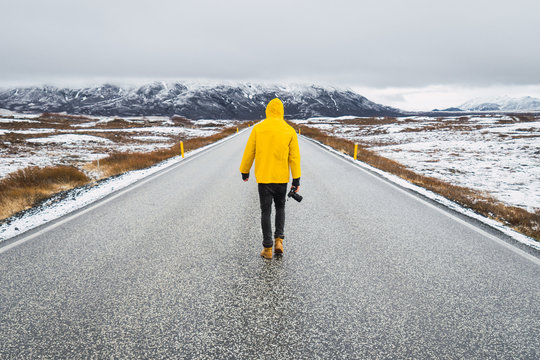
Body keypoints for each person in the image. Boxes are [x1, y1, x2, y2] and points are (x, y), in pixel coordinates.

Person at [240, 98, 301, 259]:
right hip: (281, 179)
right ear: (281, 112)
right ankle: (279, 241)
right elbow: (294, 158)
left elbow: (249, 152)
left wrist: (244, 171)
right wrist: (296, 180)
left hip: (264, 179)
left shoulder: (258, 129)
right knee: (280, 209)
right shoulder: (289, 131)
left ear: (267, 111)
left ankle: (267, 249)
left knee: (265, 212)